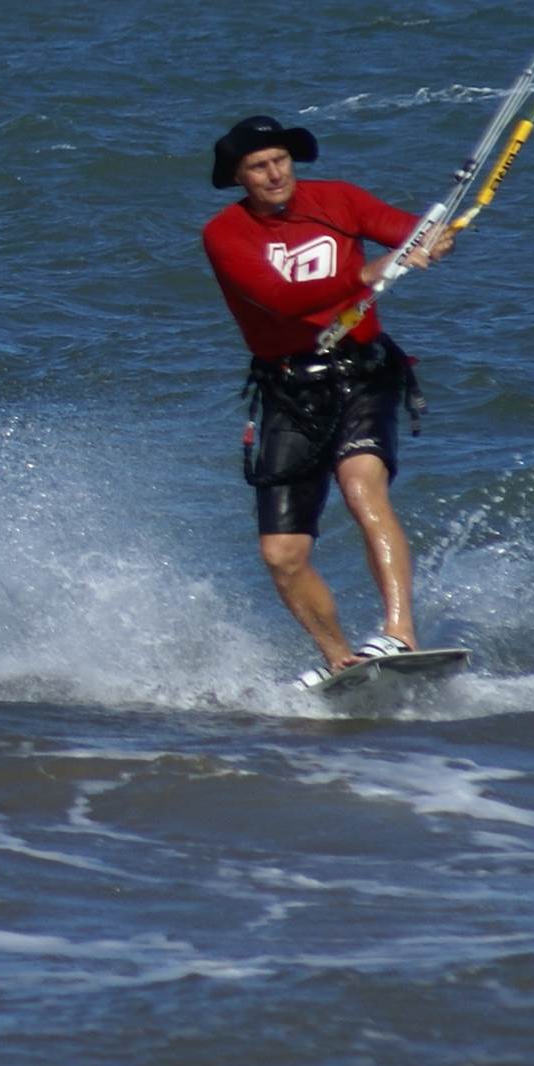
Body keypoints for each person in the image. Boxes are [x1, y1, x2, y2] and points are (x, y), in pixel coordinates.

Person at [198, 114, 457, 689]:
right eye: (259, 167)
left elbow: (405, 232)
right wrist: (368, 271)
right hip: (289, 390)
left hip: (363, 375)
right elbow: (281, 298)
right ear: (238, 176)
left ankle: (400, 633)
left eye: (281, 160)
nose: (275, 174)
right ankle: (341, 659)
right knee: (281, 554)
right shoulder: (224, 234)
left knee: (363, 486)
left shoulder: (337, 199)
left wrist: (434, 239)